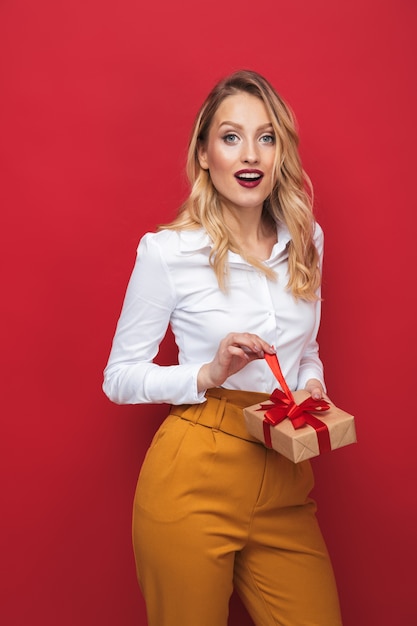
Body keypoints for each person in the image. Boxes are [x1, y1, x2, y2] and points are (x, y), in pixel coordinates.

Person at [103, 69, 342, 626]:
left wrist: (312, 387)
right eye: (230, 136)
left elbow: (307, 350)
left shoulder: (307, 242)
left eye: (266, 136)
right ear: (205, 154)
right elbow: (119, 377)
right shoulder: (168, 252)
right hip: (195, 474)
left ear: (281, 151)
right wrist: (207, 373)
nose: (249, 153)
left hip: (285, 474)